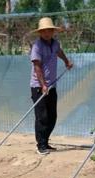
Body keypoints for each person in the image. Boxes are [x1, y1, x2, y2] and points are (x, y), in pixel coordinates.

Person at [30, 17, 73, 155]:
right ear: (40, 32)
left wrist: (66, 61)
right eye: (44, 31)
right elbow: (37, 66)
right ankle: (41, 145)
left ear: (53, 31)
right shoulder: (37, 46)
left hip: (52, 86)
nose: (47, 33)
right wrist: (43, 85)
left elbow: (59, 52)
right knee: (41, 116)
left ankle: (46, 142)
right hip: (39, 86)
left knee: (52, 116)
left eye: (49, 30)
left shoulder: (55, 43)